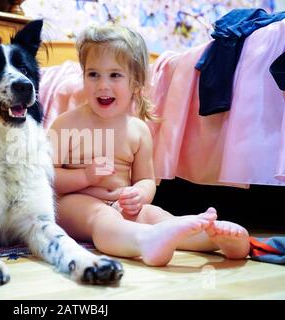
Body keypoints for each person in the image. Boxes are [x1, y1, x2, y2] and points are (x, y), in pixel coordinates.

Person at [48, 25, 250, 266]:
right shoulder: (66, 124)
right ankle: (145, 241)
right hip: (73, 205)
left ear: (136, 82)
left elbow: (146, 179)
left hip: (121, 205)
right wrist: (85, 175)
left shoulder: (138, 130)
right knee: (100, 217)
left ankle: (212, 238)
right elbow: (47, 177)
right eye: (93, 74)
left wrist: (140, 194)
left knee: (157, 215)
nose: (102, 85)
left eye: (115, 75)